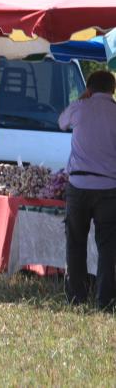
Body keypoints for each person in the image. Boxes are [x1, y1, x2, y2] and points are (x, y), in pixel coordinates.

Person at [58, 70, 116, 312]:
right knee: (108, 248)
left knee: (76, 242)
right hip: (109, 187)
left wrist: (83, 98)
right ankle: (106, 301)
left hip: (79, 185)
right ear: (112, 90)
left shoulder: (79, 107)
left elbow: (61, 123)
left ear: (89, 89)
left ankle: (77, 298)